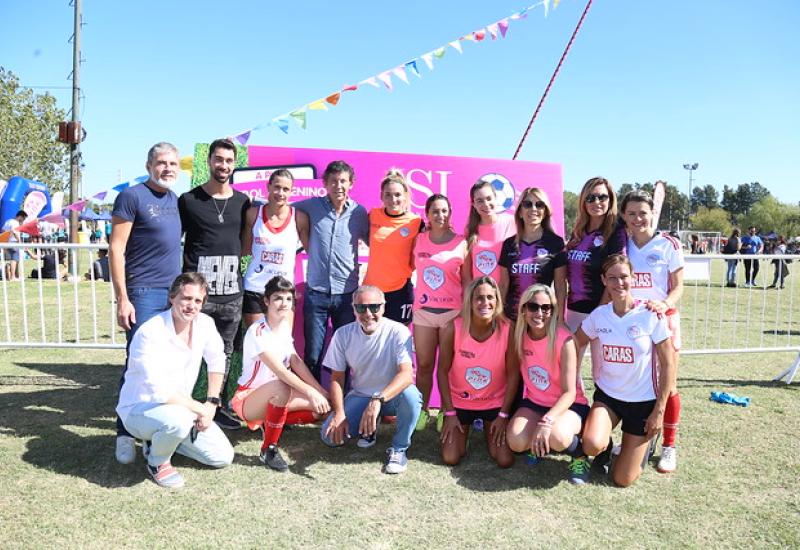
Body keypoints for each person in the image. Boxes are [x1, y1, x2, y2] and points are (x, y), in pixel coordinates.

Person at [115, 273, 234, 488]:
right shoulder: (150, 332)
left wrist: (212, 402)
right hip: (139, 409)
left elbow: (217, 360)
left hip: (181, 408)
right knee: (177, 421)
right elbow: (159, 390)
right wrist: (200, 409)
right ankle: (157, 462)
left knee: (222, 457)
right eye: (186, 298)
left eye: (198, 301)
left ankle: (161, 441)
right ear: (172, 298)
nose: (191, 306)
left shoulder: (205, 324)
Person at [574, 255, 676, 487]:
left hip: (642, 403)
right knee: (590, 444)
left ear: (633, 278)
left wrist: (659, 410)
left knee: (622, 479)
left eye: (624, 277)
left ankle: (644, 444)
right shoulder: (600, 315)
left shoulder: (650, 315)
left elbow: (668, 363)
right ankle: (606, 449)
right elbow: (574, 341)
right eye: (612, 278)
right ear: (603, 280)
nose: (619, 283)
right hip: (608, 397)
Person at [110, 142, 182, 464]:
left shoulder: (174, 199)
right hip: (142, 293)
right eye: (161, 163)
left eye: (173, 164)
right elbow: (116, 250)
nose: (167, 168)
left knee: (165, 366)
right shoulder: (131, 197)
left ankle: (153, 432)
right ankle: (124, 432)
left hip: (172, 295)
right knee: (138, 363)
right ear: (149, 164)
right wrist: (122, 298)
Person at [179, 138, 251, 430]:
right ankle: (180, 406)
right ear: (208, 161)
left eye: (229, 161)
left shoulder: (243, 202)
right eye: (218, 159)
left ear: (235, 164)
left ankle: (215, 405)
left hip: (231, 295)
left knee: (223, 353)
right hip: (197, 296)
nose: (223, 165)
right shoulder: (188, 200)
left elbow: (245, 244)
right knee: (185, 350)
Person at [231, 276, 330, 472]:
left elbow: (295, 361)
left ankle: (269, 422)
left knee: (321, 410)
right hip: (248, 398)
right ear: (266, 301)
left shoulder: (284, 326)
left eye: (288, 299)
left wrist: (321, 392)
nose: (283, 303)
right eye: (277, 298)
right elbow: (281, 372)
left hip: (277, 392)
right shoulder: (257, 331)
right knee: (281, 387)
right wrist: (310, 392)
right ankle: (268, 449)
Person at [320, 285, 423, 474]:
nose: (368, 313)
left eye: (374, 307)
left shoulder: (398, 331)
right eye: (361, 307)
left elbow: (406, 375)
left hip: (391, 398)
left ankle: (399, 449)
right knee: (330, 438)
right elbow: (336, 378)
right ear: (353, 309)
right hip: (361, 395)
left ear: (383, 307)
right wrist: (339, 413)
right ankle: (368, 430)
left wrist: (377, 400)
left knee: (412, 397)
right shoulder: (342, 334)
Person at [621, 190, 684, 474]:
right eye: (631, 213)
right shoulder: (622, 245)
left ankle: (669, 445)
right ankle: (637, 438)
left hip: (664, 321)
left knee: (668, 385)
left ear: (652, 214)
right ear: (624, 216)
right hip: (633, 325)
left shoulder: (668, 244)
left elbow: (678, 286)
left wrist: (665, 304)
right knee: (636, 381)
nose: (637, 219)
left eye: (642, 213)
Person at [506, 284, 590, 484]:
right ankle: (540, 445)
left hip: (569, 405)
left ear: (553, 311)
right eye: (533, 307)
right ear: (524, 309)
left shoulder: (565, 340)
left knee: (558, 437)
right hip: (535, 402)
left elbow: (569, 393)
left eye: (546, 308)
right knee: (516, 442)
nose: (539, 313)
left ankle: (580, 454)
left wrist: (547, 421)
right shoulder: (518, 336)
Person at [294, 160, 370, 381]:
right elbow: (282, 208)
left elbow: (377, 241)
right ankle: (313, 403)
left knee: (345, 355)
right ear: (325, 184)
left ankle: (343, 402)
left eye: (343, 181)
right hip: (316, 293)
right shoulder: (310, 206)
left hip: (347, 295)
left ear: (351, 184)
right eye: (334, 181)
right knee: (313, 355)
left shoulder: (359, 213)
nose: (339, 186)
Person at [437, 276, 516, 468]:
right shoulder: (451, 328)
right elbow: (442, 371)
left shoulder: (508, 329)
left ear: (497, 301)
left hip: (494, 403)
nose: (485, 303)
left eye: (490, 297)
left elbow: (513, 373)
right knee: (451, 458)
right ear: (470, 301)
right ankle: (464, 430)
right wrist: (449, 412)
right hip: (460, 402)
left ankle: (488, 426)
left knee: (504, 459)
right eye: (479, 298)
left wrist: (504, 415)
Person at [411, 194, 469, 429]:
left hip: (451, 313)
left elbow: (467, 282)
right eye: (435, 211)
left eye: (444, 210)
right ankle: (421, 410)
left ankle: (447, 410)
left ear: (450, 213)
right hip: (423, 312)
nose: (440, 215)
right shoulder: (418, 240)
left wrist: (464, 313)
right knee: (424, 365)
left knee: (447, 367)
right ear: (427, 214)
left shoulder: (462, 242)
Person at [242, 169, 308, 329]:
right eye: (277, 187)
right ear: (268, 186)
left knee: (281, 345)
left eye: (286, 189)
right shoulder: (252, 214)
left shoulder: (299, 218)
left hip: (283, 291)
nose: (280, 193)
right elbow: (243, 250)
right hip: (255, 288)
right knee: (257, 346)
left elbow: (313, 252)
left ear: (292, 192)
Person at [363, 169, 423, 325]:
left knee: (398, 340)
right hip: (372, 290)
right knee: (371, 340)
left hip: (400, 291)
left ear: (405, 196)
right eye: (388, 194)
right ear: (381, 196)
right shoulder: (373, 215)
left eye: (397, 195)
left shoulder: (416, 222)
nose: (393, 199)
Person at [498, 187, 567, 322]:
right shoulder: (508, 244)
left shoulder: (556, 243)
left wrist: (559, 319)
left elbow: (560, 286)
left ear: (545, 211)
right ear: (520, 212)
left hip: (541, 319)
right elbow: (503, 285)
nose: (534, 209)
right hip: (512, 319)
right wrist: (499, 316)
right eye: (528, 204)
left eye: (539, 205)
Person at [464, 179, 516, 283]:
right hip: (480, 295)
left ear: (495, 198)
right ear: (473, 204)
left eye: (489, 198)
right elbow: (467, 273)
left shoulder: (511, 222)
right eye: (480, 201)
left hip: (506, 294)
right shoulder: (469, 230)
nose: (486, 204)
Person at [2, 210, 27, 281]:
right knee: (15, 259)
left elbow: (3, 231)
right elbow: (14, 232)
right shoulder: (15, 223)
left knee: (14, 259)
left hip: (7, 243)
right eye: (23, 218)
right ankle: (13, 277)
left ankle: (16, 275)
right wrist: (20, 242)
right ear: (20, 216)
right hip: (14, 242)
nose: (23, 220)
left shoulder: (8, 221)